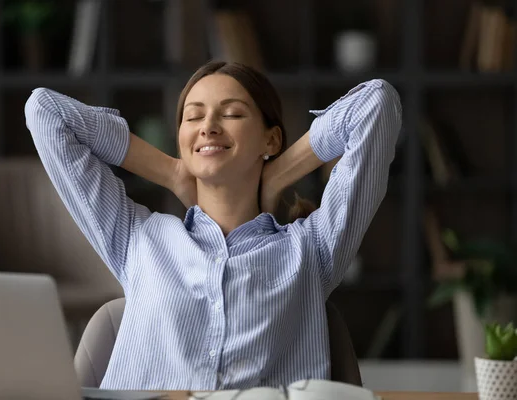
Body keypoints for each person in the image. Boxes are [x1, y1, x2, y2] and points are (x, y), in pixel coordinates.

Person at [24, 60, 402, 391]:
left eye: (232, 114)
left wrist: (278, 174)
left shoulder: (312, 249)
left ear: (270, 138)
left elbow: (376, 104)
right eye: (193, 116)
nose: (208, 127)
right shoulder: (138, 239)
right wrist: (172, 171)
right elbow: (45, 111)